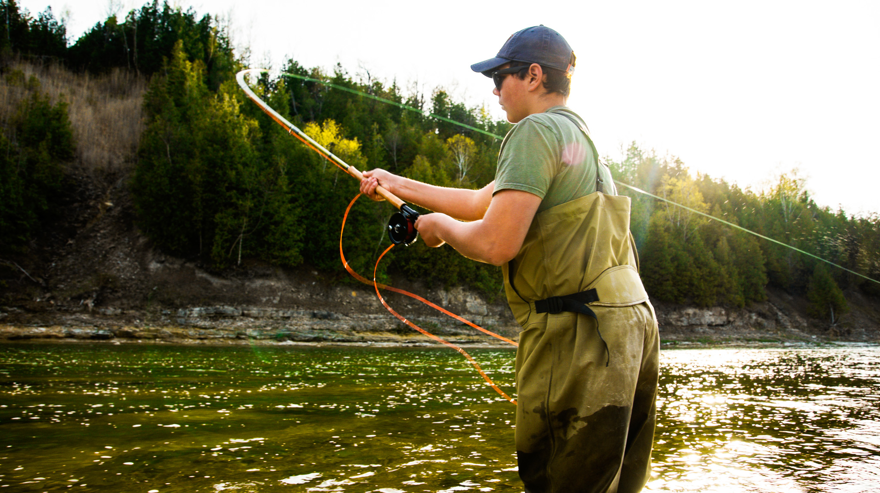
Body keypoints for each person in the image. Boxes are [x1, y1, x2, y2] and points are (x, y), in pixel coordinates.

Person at [360, 25, 659, 493]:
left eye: (501, 77)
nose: (495, 90)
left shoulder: (534, 131)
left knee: (559, 479)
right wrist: (395, 184)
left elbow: (496, 241)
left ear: (534, 76)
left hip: (580, 335)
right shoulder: (580, 139)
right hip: (631, 328)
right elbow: (483, 201)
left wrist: (437, 229)